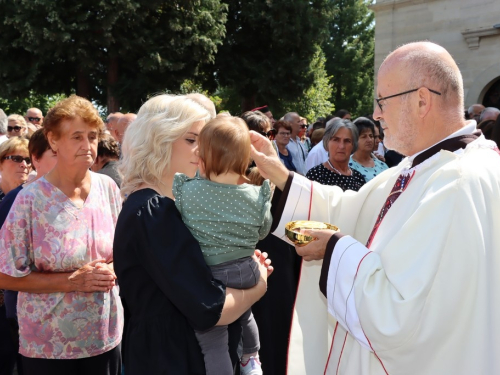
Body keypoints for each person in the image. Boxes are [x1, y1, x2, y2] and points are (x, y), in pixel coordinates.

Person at [249, 41, 500, 374]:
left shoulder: (456, 182)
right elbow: (352, 209)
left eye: (383, 100)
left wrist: (334, 249)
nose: (377, 114)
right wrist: (280, 175)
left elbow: (403, 316)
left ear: (422, 101)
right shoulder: (425, 166)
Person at [113, 94, 272, 375]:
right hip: (171, 361)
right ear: (158, 140)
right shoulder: (153, 211)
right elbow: (211, 309)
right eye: (190, 139)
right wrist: (257, 282)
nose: (200, 151)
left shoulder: (171, 203)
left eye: (204, 141)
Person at [0, 95, 124, 375]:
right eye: (76, 136)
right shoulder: (29, 200)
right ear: (53, 140)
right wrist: (72, 281)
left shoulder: (108, 188)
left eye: (92, 136)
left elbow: (123, 255)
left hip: (105, 340)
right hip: (48, 350)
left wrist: (110, 271)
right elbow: (5, 275)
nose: (87, 145)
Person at [173, 115, 271, 375]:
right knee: (244, 310)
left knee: (213, 343)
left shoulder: (188, 191)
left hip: (212, 276)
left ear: (202, 161)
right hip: (247, 270)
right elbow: (263, 231)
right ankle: (252, 358)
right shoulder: (256, 194)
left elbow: (180, 222)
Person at [0, 129, 57, 375]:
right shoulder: (18, 199)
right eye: (16, 158)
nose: (23, 164)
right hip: (22, 310)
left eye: (25, 159)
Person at [306, 119, 365, 191]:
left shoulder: (358, 178)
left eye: (347, 141)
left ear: (353, 145)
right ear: (327, 142)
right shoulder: (315, 175)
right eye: (336, 140)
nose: (341, 146)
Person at [349, 117, 388, 181]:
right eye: (364, 137)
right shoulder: (348, 166)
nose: (369, 140)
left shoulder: (381, 165)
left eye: (371, 136)